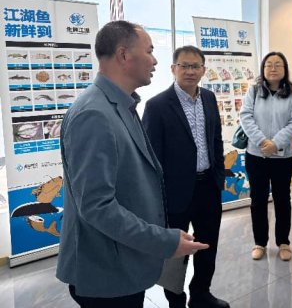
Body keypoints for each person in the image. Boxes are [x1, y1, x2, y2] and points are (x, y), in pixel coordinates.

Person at [56, 21, 208, 308]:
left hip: (123, 262)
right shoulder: (94, 114)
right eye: (149, 51)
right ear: (124, 55)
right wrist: (163, 240)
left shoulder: (120, 105)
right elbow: (97, 206)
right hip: (105, 273)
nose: (155, 61)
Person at [143, 46, 229, 308]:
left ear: (203, 70)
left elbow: (215, 140)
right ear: (173, 69)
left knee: (207, 245)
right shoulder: (157, 105)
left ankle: (201, 293)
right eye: (184, 66)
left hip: (208, 187)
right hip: (174, 193)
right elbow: (151, 157)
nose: (190, 71)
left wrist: (218, 176)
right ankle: (175, 300)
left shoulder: (209, 98)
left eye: (195, 66)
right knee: (174, 251)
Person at [239, 52, 292, 261]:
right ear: (263, 69)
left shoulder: (291, 93)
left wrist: (275, 143)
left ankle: (283, 242)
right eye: (269, 65)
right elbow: (245, 117)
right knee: (258, 199)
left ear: (285, 69)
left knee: (282, 199)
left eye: (278, 65)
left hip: (283, 157)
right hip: (256, 156)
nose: (273, 68)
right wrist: (262, 142)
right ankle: (260, 242)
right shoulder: (254, 90)